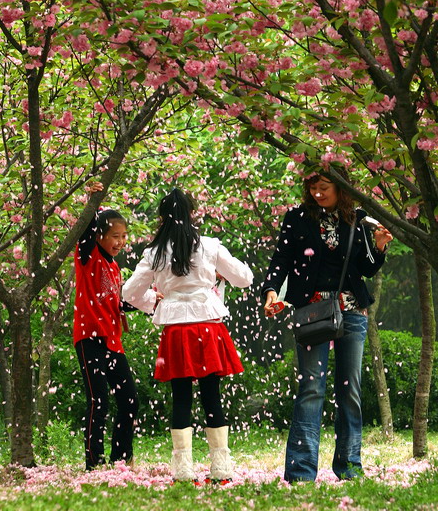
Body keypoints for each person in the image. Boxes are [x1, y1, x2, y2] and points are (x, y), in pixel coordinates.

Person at [262, 171, 393, 483]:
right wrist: (270, 291)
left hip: (351, 310)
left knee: (351, 390)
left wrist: (380, 247)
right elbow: (282, 258)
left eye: (325, 188)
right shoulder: (296, 218)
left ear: (340, 187)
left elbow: (365, 267)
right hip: (311, 309)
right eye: (313, 187)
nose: (318, 193)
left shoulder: (357, 219)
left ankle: (349, 466)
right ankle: (301, 472)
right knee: (311, 388)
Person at [122, 188, 253, 483]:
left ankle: (182, 471)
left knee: (180, 398)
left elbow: (129, 293)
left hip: (176, 328)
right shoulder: (209, 245)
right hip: (207, 325)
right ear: (191, 213)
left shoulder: (154, 253)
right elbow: (244, 279)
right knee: (212, 396)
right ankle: (221, 469)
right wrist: (216, 277)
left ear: (161, 218)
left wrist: (155, 301)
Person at [73, 182, 154, 470]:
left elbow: (119, 303)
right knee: (99, 401)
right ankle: (94, 463)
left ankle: (121, 459)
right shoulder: (88, 256)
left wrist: (155, 299)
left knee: (129, 400)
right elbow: (83, 230)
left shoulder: (114, 267)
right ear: (99, 235)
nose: (120, 242)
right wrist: (94, 199)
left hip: (111, 340)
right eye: (114, 236)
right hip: (89, 337)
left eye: (124, 236)